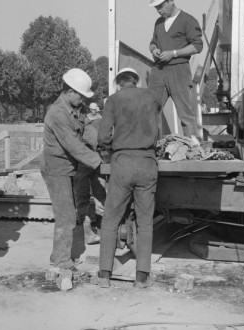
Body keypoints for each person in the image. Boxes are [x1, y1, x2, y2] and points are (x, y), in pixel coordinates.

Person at [93, 67, 162, 289]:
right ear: (136, 81)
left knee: (111, 219)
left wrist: (109, 147)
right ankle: (142, 278)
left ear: (119, 83)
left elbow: (103, 136)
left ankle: (104, 275)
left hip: (122, 163)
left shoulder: (113, 100)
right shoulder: (151, 97)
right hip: (147, 163)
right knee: (144, 222)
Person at [41, 68, 102, 278]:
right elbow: (74, 145)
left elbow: (88, 130)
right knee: (66, 216)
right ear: (69, 91)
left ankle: (57, 257)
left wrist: (104, 144)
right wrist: (99, 162)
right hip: (56, 168)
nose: (83, 100)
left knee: (70, 213)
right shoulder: (57, 113)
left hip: (69, 167)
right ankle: (61, 262)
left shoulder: (77, 108)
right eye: (81, 95)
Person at [147, 0, 203, 142]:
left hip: (179, 71)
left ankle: (194, 147)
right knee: (149, 110)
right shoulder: (158, 23)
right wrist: (154, 50)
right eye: (156, 7)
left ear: (171, 0)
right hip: (158, 72)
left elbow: (198, 46)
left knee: (185, 114)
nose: (158, 10)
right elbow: (152, 43)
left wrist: (174, 53)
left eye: (160, 6)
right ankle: (146, 147)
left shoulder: (188, 20)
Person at [73, 110, 106, 245]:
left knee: (99, 197)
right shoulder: (87, 122)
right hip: (85, 162)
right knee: (85, 198)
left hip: (94, 161)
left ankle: (100, 232)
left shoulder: (91, 121)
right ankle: (90, 233)